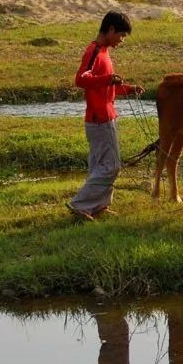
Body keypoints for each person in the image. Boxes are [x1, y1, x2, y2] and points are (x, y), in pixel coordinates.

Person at [66, 11, 144, 221]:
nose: (122, 40)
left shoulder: (104, 52)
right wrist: (108, 79)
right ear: (110, 30)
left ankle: (98, 206)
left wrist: (127, 88)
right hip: (100, 118)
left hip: (105, 115)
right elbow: (81, 80)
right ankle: (79, 205)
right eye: (121, 35)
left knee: (100, 164)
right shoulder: (94, 51)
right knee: (112, 166)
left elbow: (104, 86)